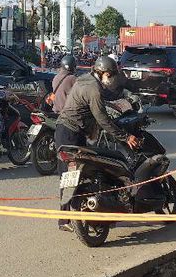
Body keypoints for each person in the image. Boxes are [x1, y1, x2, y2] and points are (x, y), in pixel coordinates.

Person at [54, 56, 140, 229]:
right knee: (70, 177)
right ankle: (65, 220)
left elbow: (104, 97)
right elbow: (103, 120)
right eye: (111, 75)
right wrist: (125, 137)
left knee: (81, 174)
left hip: (70, 130)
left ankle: (83, 215)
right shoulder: (93, 89)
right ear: (104, 73)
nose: (112, 79)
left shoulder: (85, 79)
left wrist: (122, 99)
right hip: (69, 133)